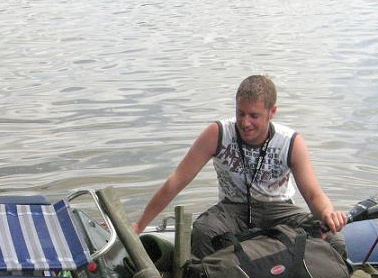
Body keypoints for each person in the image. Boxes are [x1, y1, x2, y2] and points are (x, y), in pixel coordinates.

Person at [133, 75, 347, 258]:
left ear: (272, 112)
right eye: (240, 113)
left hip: (279, 209)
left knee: (334, 241)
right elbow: (176, 181)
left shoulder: (291, 142)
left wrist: (328, 214)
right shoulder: (217, 134)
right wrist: (139, 226)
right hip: (232, 208)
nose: (245, 123)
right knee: (202, 231)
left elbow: (312, 194)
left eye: (254, 116)